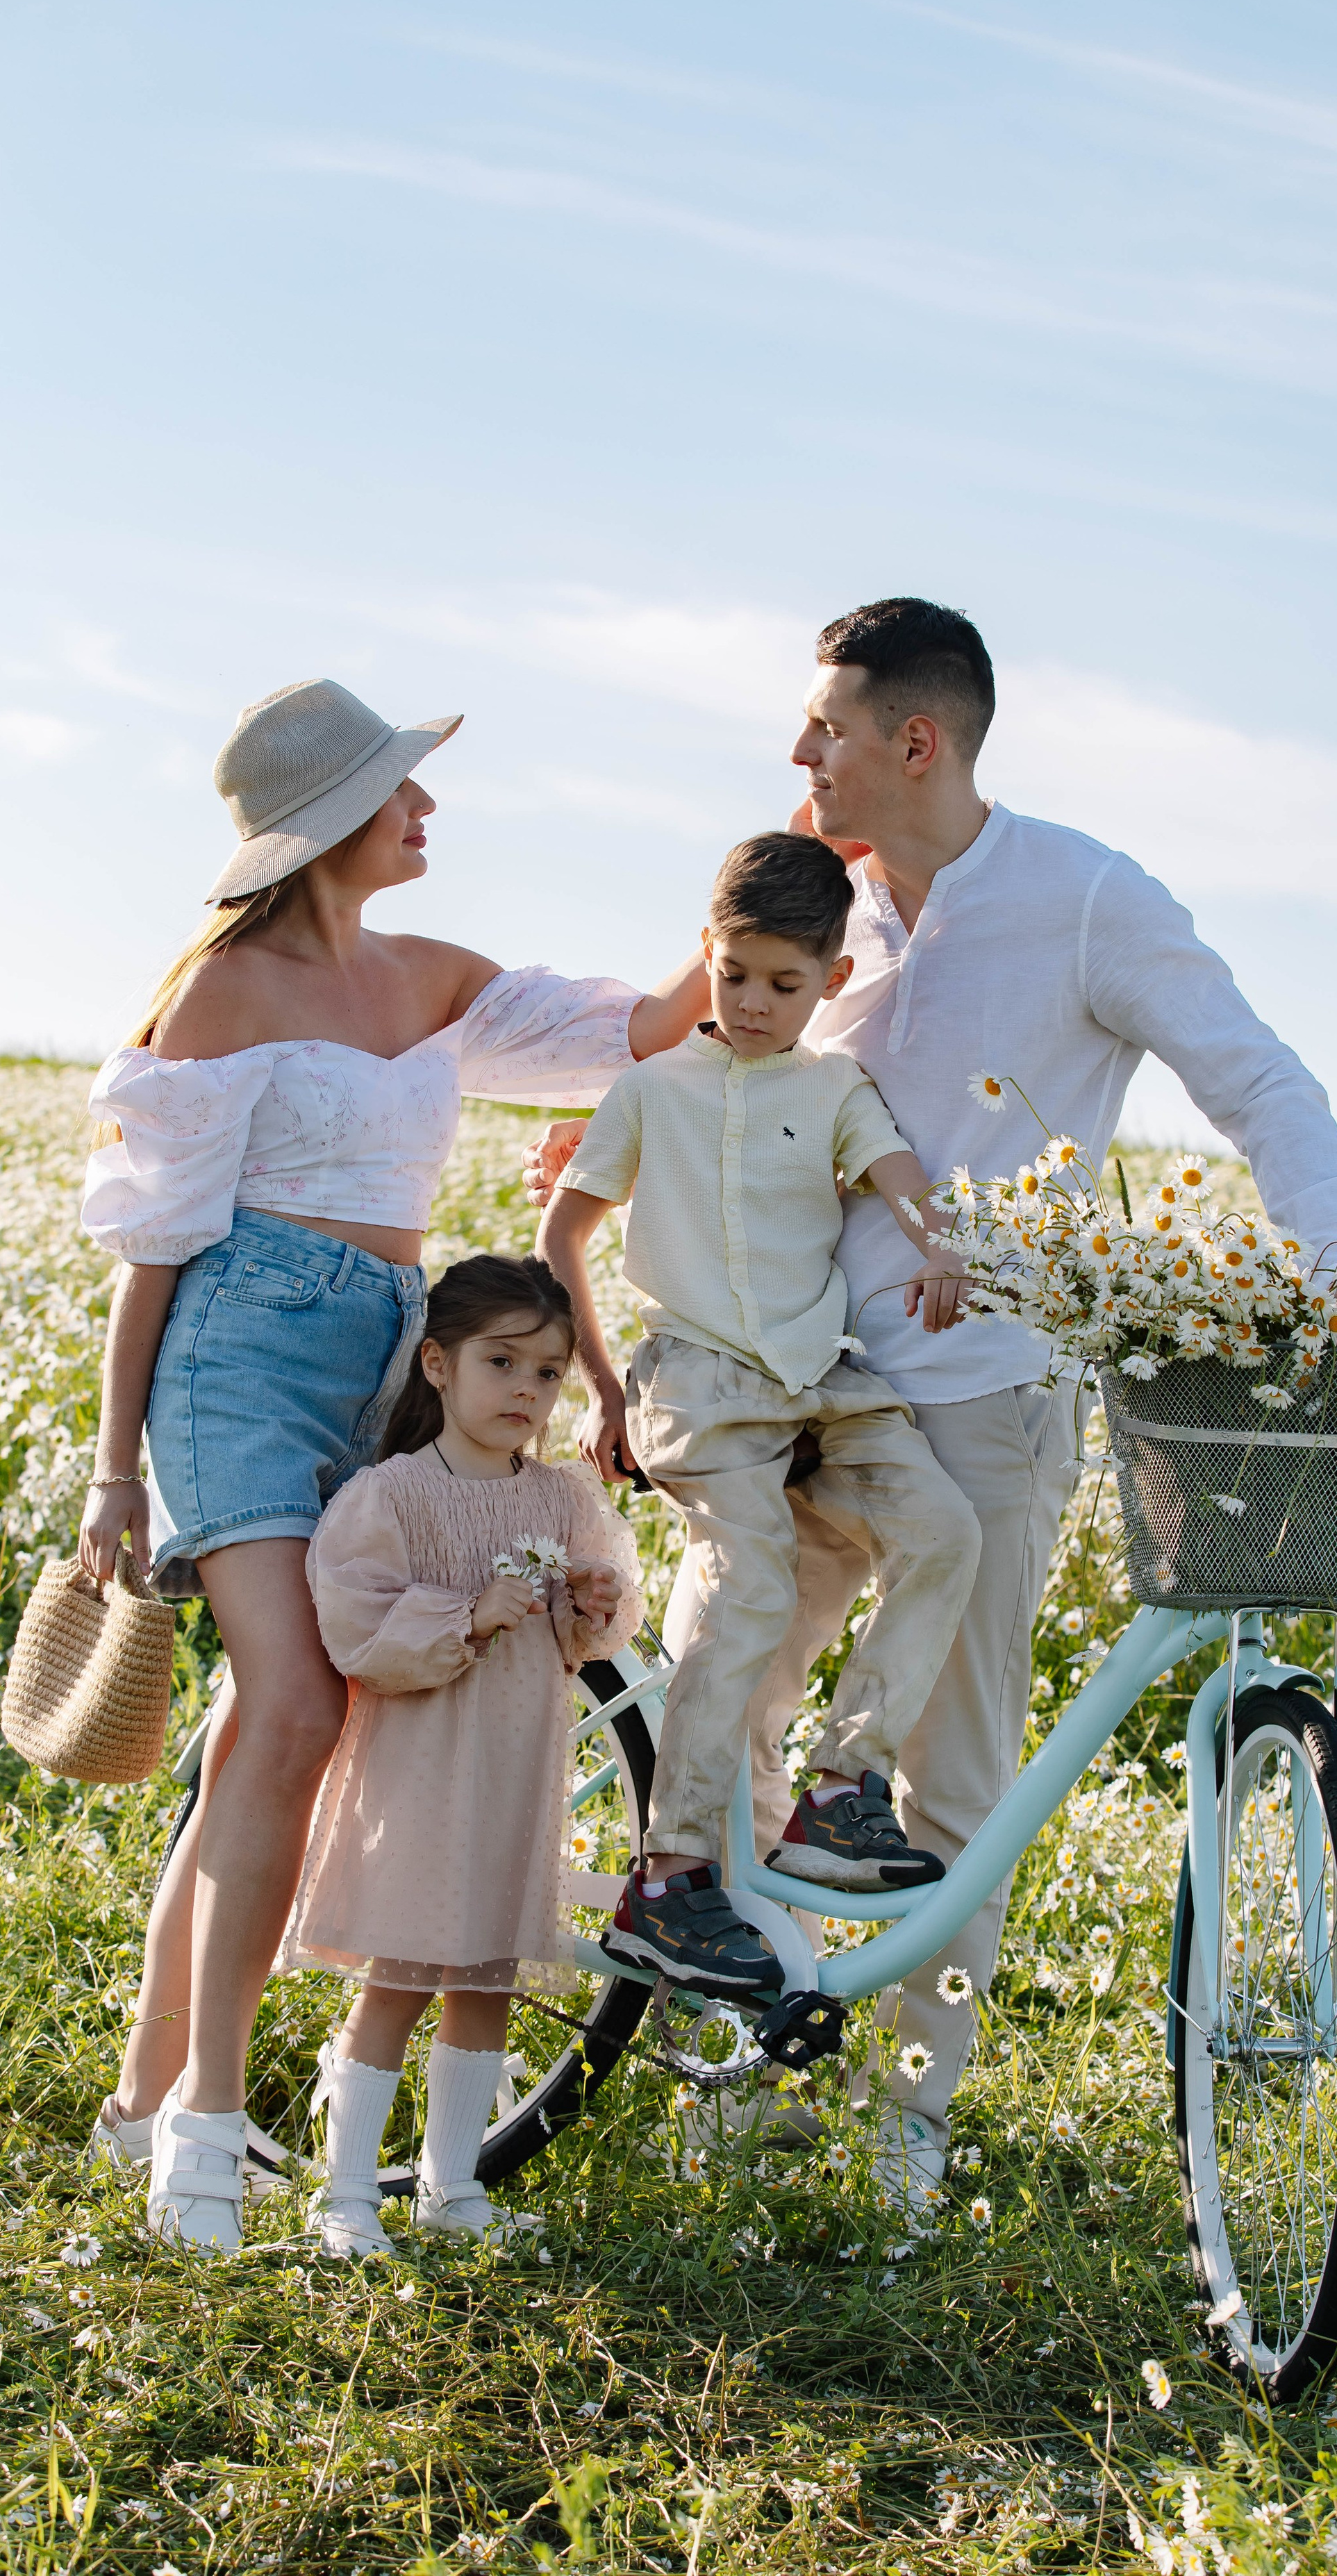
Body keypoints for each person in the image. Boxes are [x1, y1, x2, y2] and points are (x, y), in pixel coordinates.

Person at [524, 598, 1337, 2220]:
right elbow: (716, 1065)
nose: (797, 751)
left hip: (983, 1402)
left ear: (914, 741)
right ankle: (748, 2073)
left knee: (952, 1784)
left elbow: (1257, 1079)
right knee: (725, 1711)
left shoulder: (1085, 900)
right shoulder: (813, 902)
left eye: (825, 727)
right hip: (778, 1397)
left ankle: (905, 2122)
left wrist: (1332, 1284)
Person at [76, 674, 704, 2254]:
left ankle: (148, 2097)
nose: (426, 808)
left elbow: (644, 1028)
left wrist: (785, 870)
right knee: (296, 1706)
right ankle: (203, 2133)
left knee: (268, 1726)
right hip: (237, 1358)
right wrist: (113, 1471)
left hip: (385, 1359)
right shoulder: (223, 993)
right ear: (330, 820)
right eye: (400, 788)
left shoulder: (430, 975)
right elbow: (154, 1257)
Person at [535, 830, 983, 1997]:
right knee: (754, 1588)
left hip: (825, 1376)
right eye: (733, 975)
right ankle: (669, 1876)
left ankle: (844, 1786)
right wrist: (603, 1388)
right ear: (708, 953)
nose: (751, 1003)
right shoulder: (650, 1091)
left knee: (946, 1533)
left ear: (834, 979)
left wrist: (942, 1251)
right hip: (698, 1384)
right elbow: (563, 1234)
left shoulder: (836, 1088)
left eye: (785, 985)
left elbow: (901, 1181)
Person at [274, 1252, 642, 2259]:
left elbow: (582, 1641)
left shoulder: (559, 1500)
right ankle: (346, 2192)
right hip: (422, 1776)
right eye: (502, 1363)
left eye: (548, 1373)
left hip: (516, 1773)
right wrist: (467, 1615)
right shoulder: (391, 1496)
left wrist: (588, 1604)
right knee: (400, 1975)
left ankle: (453, 2188)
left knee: (487, 1978)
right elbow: (357, 1630)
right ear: (438, 1365)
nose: (527, 1390)